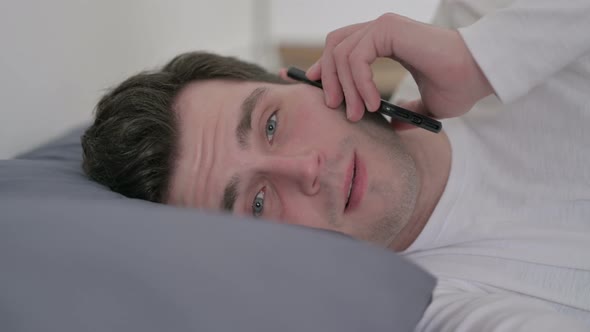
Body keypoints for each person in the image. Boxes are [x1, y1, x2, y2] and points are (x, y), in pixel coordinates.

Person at [81, 0, 590, 331]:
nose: (304, 169)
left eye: (272, 124)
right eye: (257, 203)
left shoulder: (479, 17)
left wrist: (481, 58)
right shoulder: (429, 309)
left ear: (302, 79)